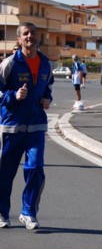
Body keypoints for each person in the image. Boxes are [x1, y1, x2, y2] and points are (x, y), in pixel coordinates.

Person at [0, 22, 53, 230]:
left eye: (33, 32)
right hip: (12, 127)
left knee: (36, 168)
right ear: (19, 39)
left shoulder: (45, 64)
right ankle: (2, 213)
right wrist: (14, 95)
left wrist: (47, 99)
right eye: (26, 33)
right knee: (5, 173)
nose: (30, 36)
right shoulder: (10, 64)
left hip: (36, 126)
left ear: (37, 37)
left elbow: (48, 87)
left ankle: (28, 212)